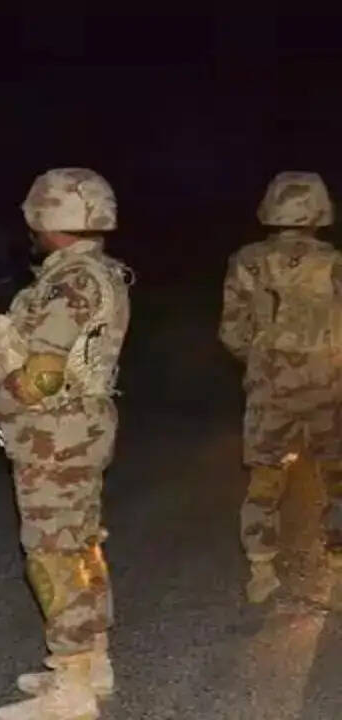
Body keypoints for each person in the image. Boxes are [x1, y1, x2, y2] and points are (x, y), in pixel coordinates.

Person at [0, 168, 131, 720]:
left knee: (53, 557)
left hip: (57, 437)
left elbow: (44, 377)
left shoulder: (70, 283)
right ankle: (90, 664)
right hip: (78, 429)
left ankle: (73, 690)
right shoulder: (99, 273)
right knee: (80, 546)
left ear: (48, 218)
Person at [218, 171, 342, 606]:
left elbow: (232, 331)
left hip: (270, 388)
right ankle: (339, 567)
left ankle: (262, 571)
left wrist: (261, 361)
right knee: (336, 477)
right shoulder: (334, 262)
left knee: (265, 478)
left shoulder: (247, 261)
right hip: (329, 386)